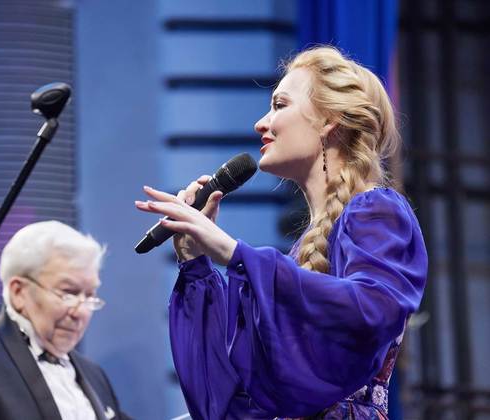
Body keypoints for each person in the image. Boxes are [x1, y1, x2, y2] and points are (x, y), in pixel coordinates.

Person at [135, 46, 427, 419]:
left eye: (279, 105)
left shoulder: (377, 210)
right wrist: (196, 263)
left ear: (329, 121)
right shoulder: (301, 254)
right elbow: (227, 404)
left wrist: (235, 253)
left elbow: (372, 309)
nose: (261, 123)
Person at [0, 220, 130, 420]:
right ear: (19, 292)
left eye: (90, 296)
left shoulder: (95, 375)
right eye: (68, 293)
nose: (80, 311)